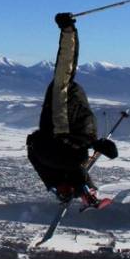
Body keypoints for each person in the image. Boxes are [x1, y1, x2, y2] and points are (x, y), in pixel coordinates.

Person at [27, 12, 118, 206]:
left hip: (55, 150)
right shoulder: (62, 96)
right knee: (73, 162)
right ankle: (80, 190)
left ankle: (78, 189)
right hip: (56, 147)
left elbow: (76, 144)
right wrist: (68, 31)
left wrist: (94, 144)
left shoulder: (65, 101)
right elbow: (67, 61)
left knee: (72, 163)